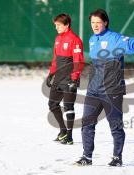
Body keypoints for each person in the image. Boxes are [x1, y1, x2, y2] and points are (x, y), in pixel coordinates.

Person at [74, 9, 134, 166]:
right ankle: (87, 157)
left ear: (105, 23)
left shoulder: (115, 38)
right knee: (87, 123)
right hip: (93, 89)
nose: (95, 26)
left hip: (112, 89)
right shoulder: (92, 39)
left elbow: (131, 43)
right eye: (92, 23)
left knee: (115, 126)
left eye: (98, 22)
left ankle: (117, 158)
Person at [46, 13, 84, 145]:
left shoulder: (75, 39)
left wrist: (74, 79)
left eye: (58, 25)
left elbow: (78, 61)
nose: (56, 27)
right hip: (59, 77)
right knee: (52, 104)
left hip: (69, 78)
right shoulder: (58, 39)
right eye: (55, 25)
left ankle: (69, 136)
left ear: (66, 25)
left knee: (68, 106)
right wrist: (51, 74)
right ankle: (62, 131)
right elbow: (56, 59)